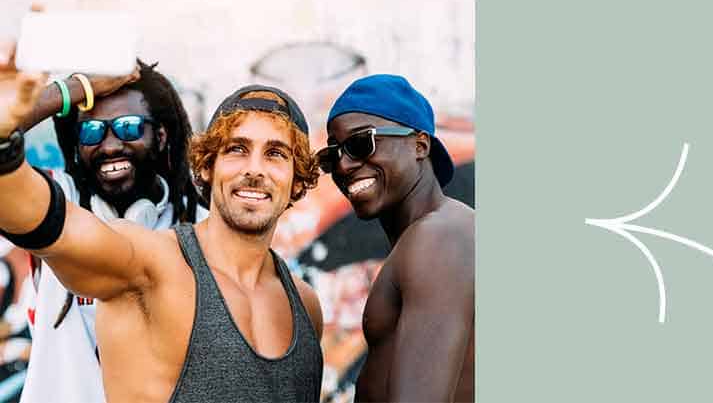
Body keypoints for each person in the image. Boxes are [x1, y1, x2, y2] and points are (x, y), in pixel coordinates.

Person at [0, 77, 323, 402]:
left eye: (276, 153)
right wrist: (4, 139)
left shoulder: (306, 306)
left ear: (298, 181)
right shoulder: (148, 264)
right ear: (208, 167)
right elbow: (41, 217)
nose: (255, 169)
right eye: (237, 149)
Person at [5, 61, 206, 402]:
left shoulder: (202, 229)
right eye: (91, 132)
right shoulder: (57, 200)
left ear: (159, 136)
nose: (110, 145)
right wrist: (71, 91)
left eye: (128, 128)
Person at [320, 74, 475, 402]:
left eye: (361, 144)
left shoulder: (439, 236)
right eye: (331, 157)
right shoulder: (431, 236)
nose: (344, 166)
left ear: (420, 144)